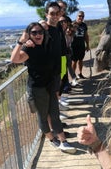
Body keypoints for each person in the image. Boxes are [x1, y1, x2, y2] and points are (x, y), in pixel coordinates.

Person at [10, 22, 76, 154]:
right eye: (34, 32)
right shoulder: (29, 48)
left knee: (54, 113)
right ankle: (52, 139)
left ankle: (63, 142)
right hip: (37, 88)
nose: (38, 34)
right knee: (43, 115)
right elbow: (14, 59)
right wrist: (20, 42)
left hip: (50, 84)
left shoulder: (46, 43)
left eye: (40, 32)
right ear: (29, 34)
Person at [71, 11, 90, 79]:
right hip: (73, 46)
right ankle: (73, 76)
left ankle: (80, 73)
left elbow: (86, 35)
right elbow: (68, 34)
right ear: (76, 16)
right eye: (79, 16)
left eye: (82, 16)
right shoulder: (72, 24)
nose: (81, 17)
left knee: (81, 60)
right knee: (74, 61)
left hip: (81, 45)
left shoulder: (84, 25)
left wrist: (87, 45)